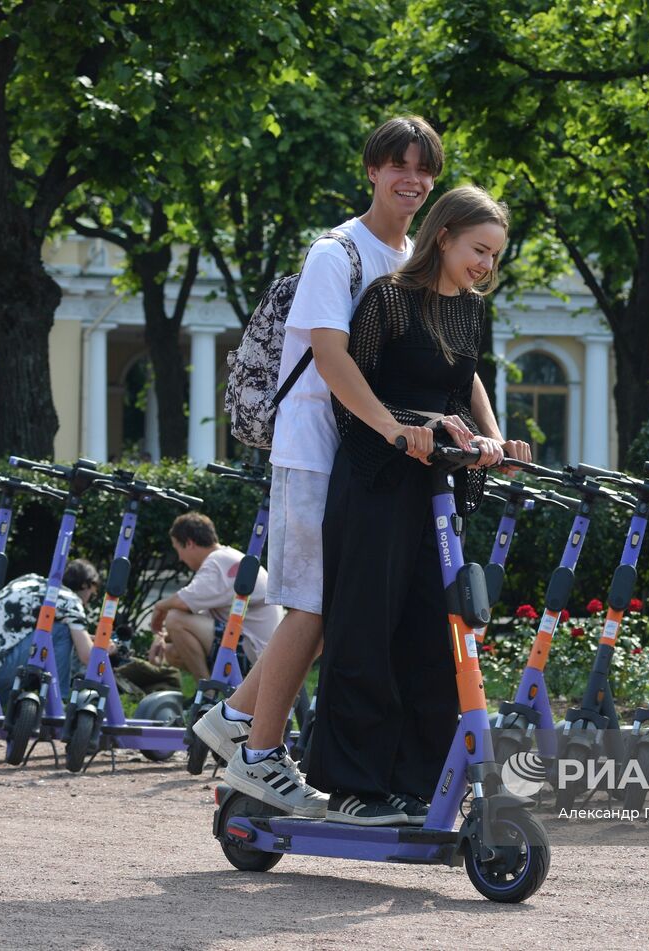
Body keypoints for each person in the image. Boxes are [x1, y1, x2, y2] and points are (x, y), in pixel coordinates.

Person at [194, 116, 447, 818]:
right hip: (314, 449)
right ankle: (258, 754)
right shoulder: (337, 253)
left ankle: (235, 718)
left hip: (367, 460)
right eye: (398, 164)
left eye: (424, 169)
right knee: (312, 600)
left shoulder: (416, 256)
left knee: (342, 605)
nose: (412, 180)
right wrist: (393, 429)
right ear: (371, 169)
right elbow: (331, 358)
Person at [306, 185, 529, 825]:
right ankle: (354, 788)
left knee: (435, 632)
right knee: (366, 625)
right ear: (444, 237)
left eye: (494, 255)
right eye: (478, 249)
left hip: (436, 483)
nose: (486, 264)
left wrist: (496, 441)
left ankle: (416, 784)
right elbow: (356, 387)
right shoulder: (389, 299)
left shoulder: (470, 311)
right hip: (378, 477)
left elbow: (465, 386)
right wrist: (402, 429)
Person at [146, 512, 281, 680]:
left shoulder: (218, 561)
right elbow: (198, 617)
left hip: (256, 654)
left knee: (175, 618)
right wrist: (162, 638)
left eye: (177, 549)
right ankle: (220, 692)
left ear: (189, 543)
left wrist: (159, 607)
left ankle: (207, 695)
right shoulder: (226, 557)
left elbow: (182, 603)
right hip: (257, 649)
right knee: (172, 651)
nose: (180, 558)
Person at [0, 559, 101, 705]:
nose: (88, 602)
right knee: (63, 631)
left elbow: (18, 631)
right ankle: (57, 700)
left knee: (56, 630)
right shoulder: (70, 600)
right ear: (85, 585)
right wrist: (106, 649)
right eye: (92, 596)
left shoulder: (28, 581)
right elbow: (87, 656)